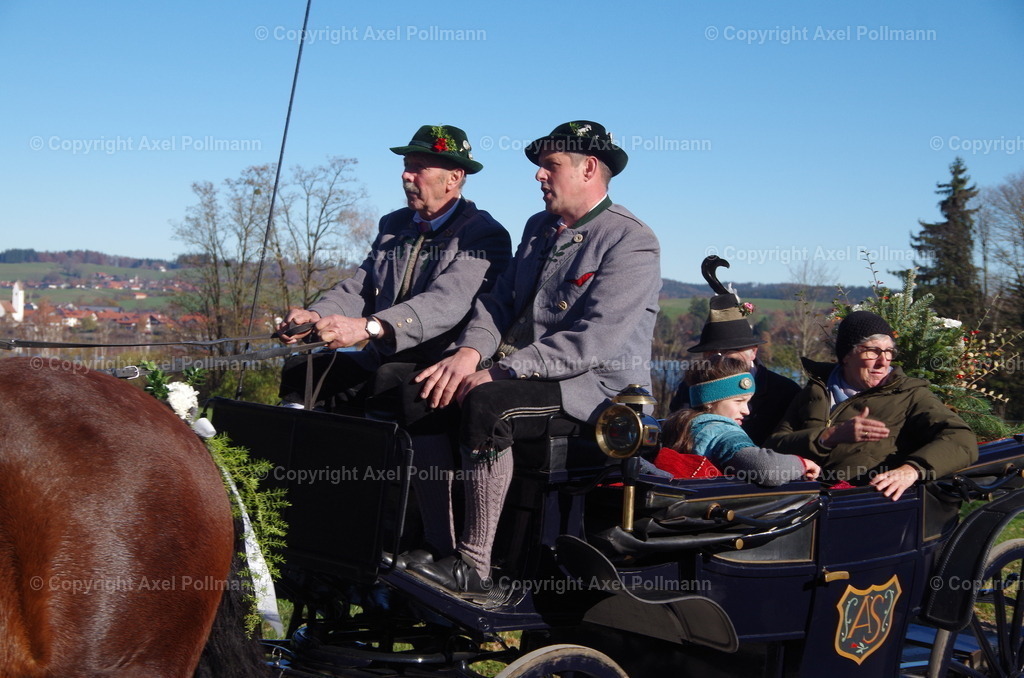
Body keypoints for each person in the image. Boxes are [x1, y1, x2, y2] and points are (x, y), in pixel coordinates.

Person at [406, 120, 661, 600]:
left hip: (596, 391)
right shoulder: (538, 228)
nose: (539, 175)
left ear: (589, 168)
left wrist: (500, 371)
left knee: (489, 404)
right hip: (528, 371)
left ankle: (474, 567)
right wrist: (468, 354)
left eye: (550, 165)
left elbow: (593, 342)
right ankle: (438, 547)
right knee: (423, 389)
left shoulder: (630, 240)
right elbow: (498, 304)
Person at [277, 124, 512, 559]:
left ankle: (423, 539)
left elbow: (447, 303)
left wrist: (368, 328)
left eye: (419, 167)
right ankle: (304, 510)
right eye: (406, 166)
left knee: (395, 380)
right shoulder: (394, 225)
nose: (407, 175)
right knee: (302, 370)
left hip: (441, 363)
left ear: (454, 177)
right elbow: (359, 286)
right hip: (383, 355)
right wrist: (318, 316)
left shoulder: (483, 236)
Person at [766, 310, 977, 500]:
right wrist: (826, 438)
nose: (883, 361)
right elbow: (773, 447)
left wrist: (912, 470)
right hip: (799, 502)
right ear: (846, 356)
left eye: (889, 351)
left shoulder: (910, 395)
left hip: (864, 504)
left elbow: (961, 438)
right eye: (872, 351)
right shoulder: (817, 390)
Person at [668, 261, 800, 446]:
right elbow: (676, 435)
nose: (719, 359)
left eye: (729, 351)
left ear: (753, 352)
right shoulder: (690, 387)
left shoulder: (785, 391)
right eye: (711, 353)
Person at [661, 356, 819, 486]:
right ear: (709, 401)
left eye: (747, 402)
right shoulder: (722, 432)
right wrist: (802, 464)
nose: (746, 410)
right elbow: (766, 468)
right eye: (738, 401)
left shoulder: (681, 424)